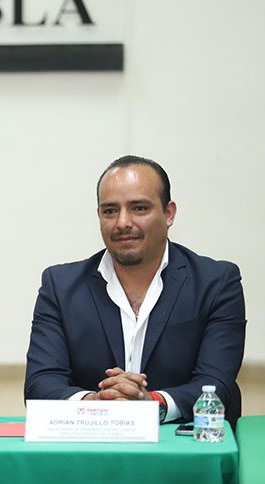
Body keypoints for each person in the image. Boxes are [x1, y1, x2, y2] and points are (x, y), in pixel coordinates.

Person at [25, 155, 246, 425]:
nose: (122, 223)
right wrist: (96, 403)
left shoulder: (216, 283)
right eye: (110, 211)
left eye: (139, 208)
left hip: (178, 441)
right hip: (91, 439)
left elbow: (216, 383)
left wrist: (152, 404)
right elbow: (40, 384)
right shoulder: (60, 286)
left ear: (168, 213)